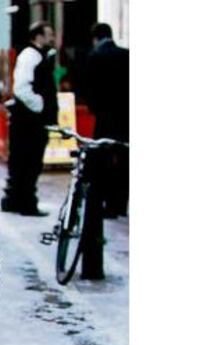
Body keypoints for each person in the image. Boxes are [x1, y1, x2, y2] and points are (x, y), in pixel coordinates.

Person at [1, 21, 58, 216]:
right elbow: (22, 88)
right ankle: (26, 203)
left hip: (28, 120)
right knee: (29, 161)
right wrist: (40, 105)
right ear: (38, 36)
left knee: (23, 161)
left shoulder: (36, 56)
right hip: (29, 121)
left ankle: (16, 200)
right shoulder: (30, 56)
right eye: (49, 34)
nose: (52, 38)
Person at [82, 22, 129, 217]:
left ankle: (104, 204)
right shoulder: (126, 54)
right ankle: (119, 203)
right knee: (124, 159)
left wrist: (95, 108)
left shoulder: (94, 57)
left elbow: (88, 88)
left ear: (95, 38)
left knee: (102, 158)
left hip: (104, 117)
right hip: (125, 116)